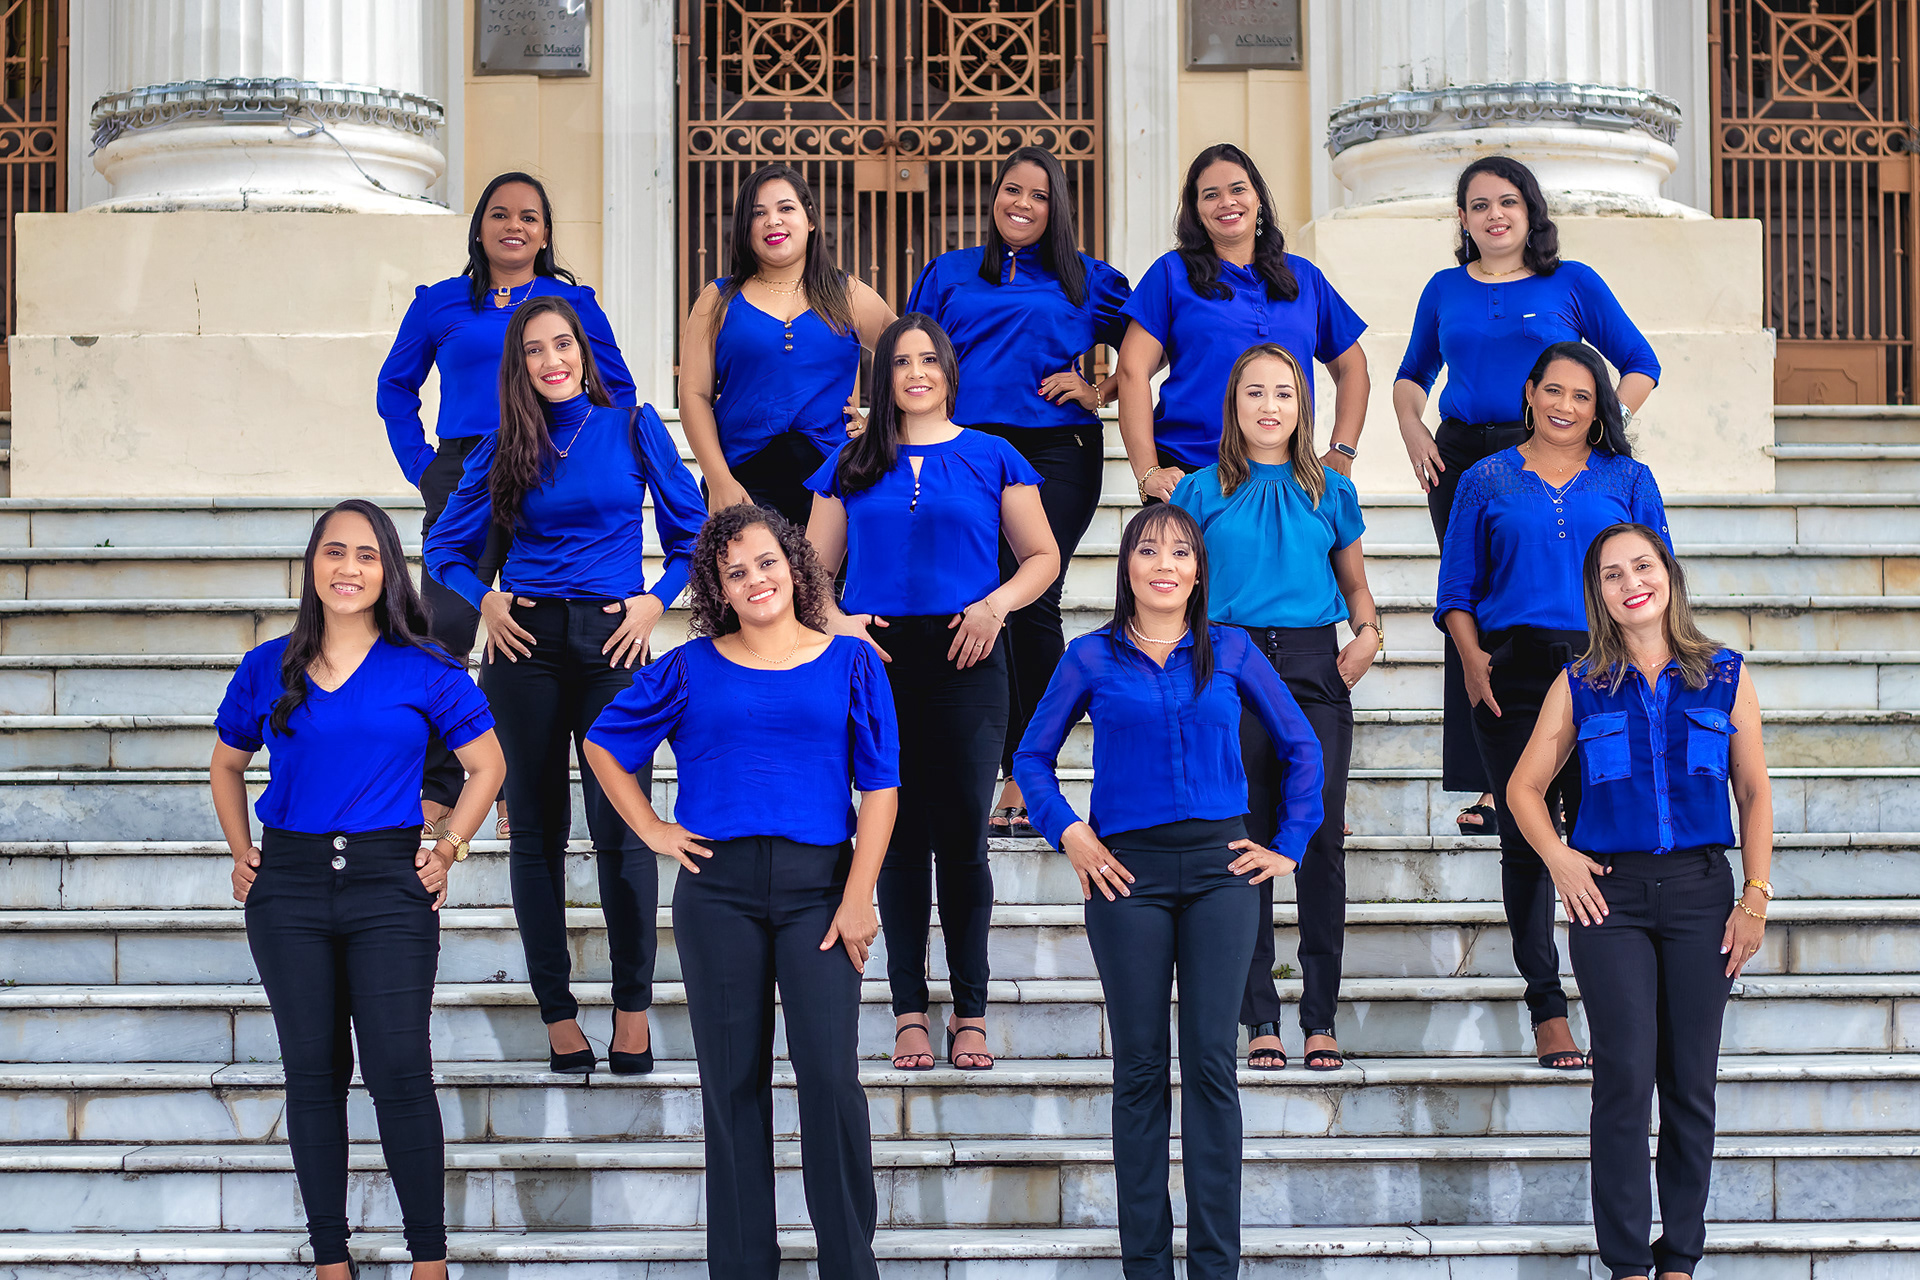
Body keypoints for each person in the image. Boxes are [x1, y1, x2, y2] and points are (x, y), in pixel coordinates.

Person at [585, 504, 897, 1280]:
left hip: (821, 891)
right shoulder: (689, 667)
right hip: (716, 892)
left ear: (794, 566)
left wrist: (859, 896)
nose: (755, 580)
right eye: (735, 572)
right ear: (717, 590)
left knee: (830, 1081)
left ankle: (850, 1266)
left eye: (766, 563)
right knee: (731, 1087)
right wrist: (652, 828)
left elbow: (881, 788)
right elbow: (603, 743)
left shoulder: (850, 661)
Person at [1013, 502, 1321, 1280]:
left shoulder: (1234, 650)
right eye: (1148, 550)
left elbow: (1303, 746)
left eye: (1181, 552)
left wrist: (1289, 844)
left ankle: (1216, 1268)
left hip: (1222, 871)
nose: (1164, 564)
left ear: (1198, 571)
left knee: (1212, 1065)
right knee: (1141, 1070)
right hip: (1127, 876)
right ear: (1127, 567)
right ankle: (1145, 1267)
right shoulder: (1089, 657)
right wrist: (1069, 832)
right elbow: (1031, 758)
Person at [211, 500, 507, 1280]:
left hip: (388, 888)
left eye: (367, 555)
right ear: (313, 564)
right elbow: (227, 763)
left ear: (389, 572)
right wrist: (242, 851)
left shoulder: (427, 667)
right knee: (313, 1074)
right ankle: (331, 1260)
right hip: (289, 889)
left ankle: (428, 1260)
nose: (349, 568)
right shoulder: (267, 666)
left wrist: (449, 845)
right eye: (335, 552)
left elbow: (488, 766)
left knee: (399, 1069)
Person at [423, 295, 704, 1076]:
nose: (553, 361)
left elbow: (691, 533)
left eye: (563, 345)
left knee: (623, 829)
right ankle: (557, 1012)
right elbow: (444, 546)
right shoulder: (503, 443)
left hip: (615, 641)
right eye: (535, 350)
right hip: (526, 647)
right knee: (537, 836)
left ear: (584, 351)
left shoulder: (632, 425)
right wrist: (484, 599)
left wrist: (657, 600)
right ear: (519, 365)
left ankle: (632, 1008)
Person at [1507, 522, 1772, 1280]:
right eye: (1613, 574)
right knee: (1624, 1078)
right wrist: (1560, 860)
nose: (1632, 583)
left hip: (1701, 896)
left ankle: (1679, 1258)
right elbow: (1523, 789)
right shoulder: (1579, 683)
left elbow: (1753, 792)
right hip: (1611, 902)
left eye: (1643, 566)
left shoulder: (1725, 674)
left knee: (1690, 1082)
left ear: (1668, 575)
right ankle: (1626, 1263)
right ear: (1599, 593)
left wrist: (1754, 897)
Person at [805, 314, 1060, 1072]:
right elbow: (809, 572)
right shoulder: (851, 461)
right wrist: (839, 622)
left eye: (928, 360)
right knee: (896, 840)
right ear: (882, 378)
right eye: (900, 362)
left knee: (962, 840)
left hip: (969, 655)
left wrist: (995, 607)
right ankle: (909, 1012)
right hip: (877, 664)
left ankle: (971, 1012)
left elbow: (1042, 556)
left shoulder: (994, 455)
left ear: (949, 371)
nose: (916, 373)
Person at [1393, 155, 1661, 838]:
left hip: (1549, 448)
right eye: (1480, 205)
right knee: (1474, 610)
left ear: (1531, 211)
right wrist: (1413, 430)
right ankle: (1494, 780)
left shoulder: (1572, 281)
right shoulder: (1443, 288)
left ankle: (1568, 772)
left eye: (1508, 202)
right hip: (1461, 459)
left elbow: (1640, 364)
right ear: (1462, 218)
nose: (1495, 216)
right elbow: (1411, 374)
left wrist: (1599, 431)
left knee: (1556, 605)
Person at [1435, 341, 1671, 1072]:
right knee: (1528, 844)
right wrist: (1472, 661)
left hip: (1606, 673)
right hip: (1514, 677)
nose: (1566, 406)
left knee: (1603, 838)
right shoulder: (1485, 478)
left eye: (1583, 396)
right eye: (1555, 390)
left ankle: (1612, 999)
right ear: (1531, 393)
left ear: (1599, 410)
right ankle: (1547, 1009)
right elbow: (1456, 589)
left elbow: (1657, 581)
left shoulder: (1628, 478)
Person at [378, 171, 636, 840]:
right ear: (479, 227)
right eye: (499, 213)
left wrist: (591, 461)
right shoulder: (439, 303)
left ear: (545, 233)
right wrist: (423, 466)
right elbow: (394, 387)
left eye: (528, 216)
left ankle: (517, 789)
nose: (513, 226)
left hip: (549, 465)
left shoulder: (572, 304)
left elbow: (618, 390)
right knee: (445, 627)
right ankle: (439, 786)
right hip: (465, 467)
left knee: (528, 625)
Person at [906, 145, 1132, 839]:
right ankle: (978, 763)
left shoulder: (1089, 280)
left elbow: (1154, 344)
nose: (1023, 204)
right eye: (1012, 190)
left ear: (1056, 206)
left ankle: (1027, 776)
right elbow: (911, 353)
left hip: (1057, 450)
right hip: (967, 451)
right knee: (977, 595)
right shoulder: (948, 273)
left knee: (1030, 600)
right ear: (994, 195)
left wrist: (1099, 390)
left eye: (1039, 195)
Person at [1171, 342, 1378, 1072]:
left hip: (1315, 668)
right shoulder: (1198, 491)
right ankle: (1259, 1014)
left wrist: (1369, 635)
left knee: (1318, 839)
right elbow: (1174, 590)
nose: (1269, 405)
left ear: (1302, 407)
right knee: (1245, 839)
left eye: (1284, 393)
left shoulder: (1332, 492)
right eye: (1254, 392)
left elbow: (1355, 588)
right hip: (1229, 666)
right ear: (1233, 404)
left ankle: (1320, 1017)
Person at [1116, 142, 1369, 506]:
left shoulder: (1304, 277)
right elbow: (1132, 370)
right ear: (1196, 210)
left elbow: (1353, 365)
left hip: (1288, 480)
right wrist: (1148, 472)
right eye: (1211, 195)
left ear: (1258, 198)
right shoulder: (1171, 274)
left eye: (1238, 189)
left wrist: (1342, 449)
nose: (1227, 202)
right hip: (1191, 476)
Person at [679, 164, 897, 526]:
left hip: (835, 481)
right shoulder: (717, 300)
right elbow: (693, 394)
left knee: (826, 568)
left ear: (809, 219)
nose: (773, 221)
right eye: (758, 213)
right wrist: (718, 480)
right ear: (744, 227)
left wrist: (880, 424)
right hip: (742, 481)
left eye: (786, 208)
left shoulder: (848, 294)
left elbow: (911, 355)